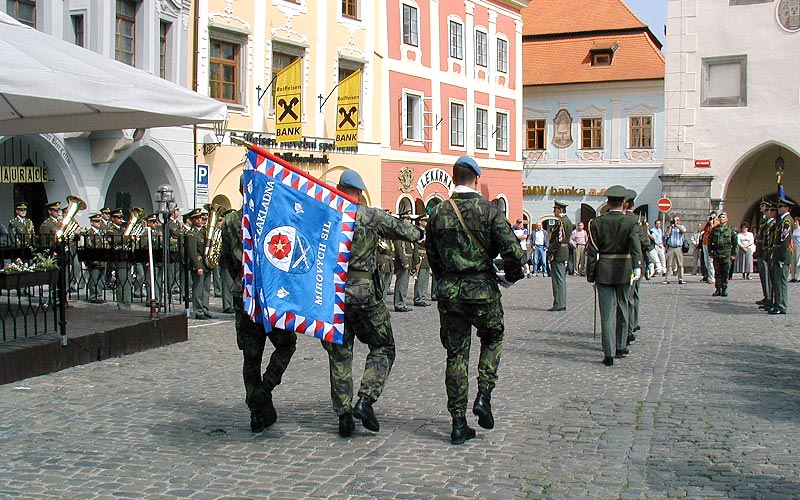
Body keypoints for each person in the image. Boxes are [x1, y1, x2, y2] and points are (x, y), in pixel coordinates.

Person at [426, 155, 524, 445]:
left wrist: (446, 278)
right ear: (476, 179)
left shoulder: (438, 212)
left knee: (456, 354)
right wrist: (511, 275)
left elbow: (431, 256)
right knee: (493, 337)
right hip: (482, 290)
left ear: (453, 178)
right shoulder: (489, 211)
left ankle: (457, 422)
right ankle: (483, 394)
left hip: (451, 294)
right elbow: (515, 254)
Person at [322, 169, 422, 438]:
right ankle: (365, 400)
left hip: (334, 294)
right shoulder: (369, 216)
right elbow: (407, 232)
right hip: (365, 293)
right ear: (359, 192)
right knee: (383, 346)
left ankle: (343, 416)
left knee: (340, 354)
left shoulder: (326, 215)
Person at [220, 191, 297, 433]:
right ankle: (264, 390)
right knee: (286, 344)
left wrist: (241, 282)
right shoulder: (273, 217)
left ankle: (257, 410)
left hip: (244, 292)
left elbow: (228, 261)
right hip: (270, 294)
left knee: (251, 357)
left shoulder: (231, 220)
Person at [585, 185, 643, 367]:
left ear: (608, 202)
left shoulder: (596, 222)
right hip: (624, 268)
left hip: (604, 269)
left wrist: (591, 274)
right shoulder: (631, 222)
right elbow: (636, 247)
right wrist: (637, 267)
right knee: (623, 308)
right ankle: (620, 345)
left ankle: (608, 353)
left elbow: (592, 251)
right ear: (624, 203)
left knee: (607, 313)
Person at [186, 208, 216, 320]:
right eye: (196, 218)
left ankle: (205, 308)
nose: (199, 220)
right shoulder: (192, 234)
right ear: (192, 220)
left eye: (200, 218)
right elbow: (192, 252)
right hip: (199, 264)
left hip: (207, 263)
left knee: (206, 289)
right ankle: (198, 311)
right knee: (198, 289)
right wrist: (198, 266)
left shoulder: (205, 231)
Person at [769, 198, 795, 314]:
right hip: (777, 255)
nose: (778, 209)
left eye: (780, 207)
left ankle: (781, 305)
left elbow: (785, 241)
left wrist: (781, 257)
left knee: (781, 282)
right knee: (777, 281)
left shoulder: (787, 221)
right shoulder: (782, 220)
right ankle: (778, 303)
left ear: (786, 208)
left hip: (782, 256)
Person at [547, 201, 572, 311]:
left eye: (555, 209)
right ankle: (560, 302)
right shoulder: (567, 221)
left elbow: (558, 239)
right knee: (560, 278)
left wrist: (551, 252)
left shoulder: (561, 222)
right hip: (563, 250)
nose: (554, 211)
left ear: (561, 210)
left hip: (558, 252)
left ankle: (559, 303)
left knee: (558, 279)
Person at [105, 209, 131, 310]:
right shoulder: (111, 230)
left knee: (127, 283)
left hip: (126, 258)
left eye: (121, 217)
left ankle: (127, 304)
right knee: (121, 283)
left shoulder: (122, 230)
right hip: (118, 259)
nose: (121, 219)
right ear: (113, 218)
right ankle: (121, 304)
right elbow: (115, 240)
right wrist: (126, 237)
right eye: (119, 217)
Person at [708, 212, 737, 297]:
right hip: (717, 253)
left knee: (725, 272)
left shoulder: (730, 229)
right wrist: (710, 252)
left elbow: (735, 243)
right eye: (720, 217)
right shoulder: (715, 229)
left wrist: (733, 254)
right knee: (717, 272)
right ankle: (718, 288)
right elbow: (710, 242)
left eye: (723, 217)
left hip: (726, 253)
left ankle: (724, 288)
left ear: (727, 219)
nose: (721, 219)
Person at [393, 212, 415, 312]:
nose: (409, 221)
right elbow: (399, 249)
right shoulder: (399, 233)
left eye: (410, 219)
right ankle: (399, 304)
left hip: (408, 261)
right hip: (403, 262)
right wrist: (404, 262)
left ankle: (402, 302)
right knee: (401, 284)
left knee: (405, 284)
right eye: (407, 219)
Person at [84, 213, 106, 304]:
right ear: (92, 222)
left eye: (99, 221)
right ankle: (94, 296)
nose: (98, 223)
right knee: (94, 278)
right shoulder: (89, 233)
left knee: (101, 279)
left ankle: (99, 295)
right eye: (96, 221)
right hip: (94, 259)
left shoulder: (101, 232)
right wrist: (92, 259)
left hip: (102, 258)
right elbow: (88, 247)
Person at [412, 215, 432, 307]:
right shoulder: (417, 232)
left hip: (427, 257)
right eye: (425, 221)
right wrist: (416, 261)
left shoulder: (427, 232)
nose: (427, 223)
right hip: (420, 257)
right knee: (420, 280)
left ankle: (422, 297)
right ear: (420, 221)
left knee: (425, 280)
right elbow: (415, 247)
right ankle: (418, 298)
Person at [664, 216, 687, 284]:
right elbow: (667, 234)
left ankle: (680, 278)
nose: (676, 221)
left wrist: (676, 225)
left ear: (679, 221)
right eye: (675, 220)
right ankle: (668, 279)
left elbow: (683, 231)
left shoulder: (681, 227)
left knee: (680, 264)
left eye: (677, 220)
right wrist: (671, 226)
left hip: (678, 247)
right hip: (671, 247)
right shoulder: (670, 227)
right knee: (669, 264)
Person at [702, 212, 719, 285]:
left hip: (711, 244)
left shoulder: (717, 224)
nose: (712, 219)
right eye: (711, 217)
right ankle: (709, 276)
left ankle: (712, 277)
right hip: (705, 243)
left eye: (713, 217)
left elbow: (714, 232)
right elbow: (702, 229)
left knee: (710, 261)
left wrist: (712, 223)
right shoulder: (707, 224)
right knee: (706, 261)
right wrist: (707, 222)